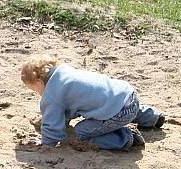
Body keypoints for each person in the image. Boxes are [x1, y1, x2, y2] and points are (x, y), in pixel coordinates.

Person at [21, 55, 165, 151]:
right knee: (114, 103)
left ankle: (127, 138)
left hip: (118, 113)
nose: (38, 93)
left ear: (39, 82)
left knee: (80, 133)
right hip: (127, 94)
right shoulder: (64, 72)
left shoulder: (52, 95)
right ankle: (153, 117)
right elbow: (70, 106)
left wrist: (47, 144)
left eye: (34, 90)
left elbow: (52, 127)